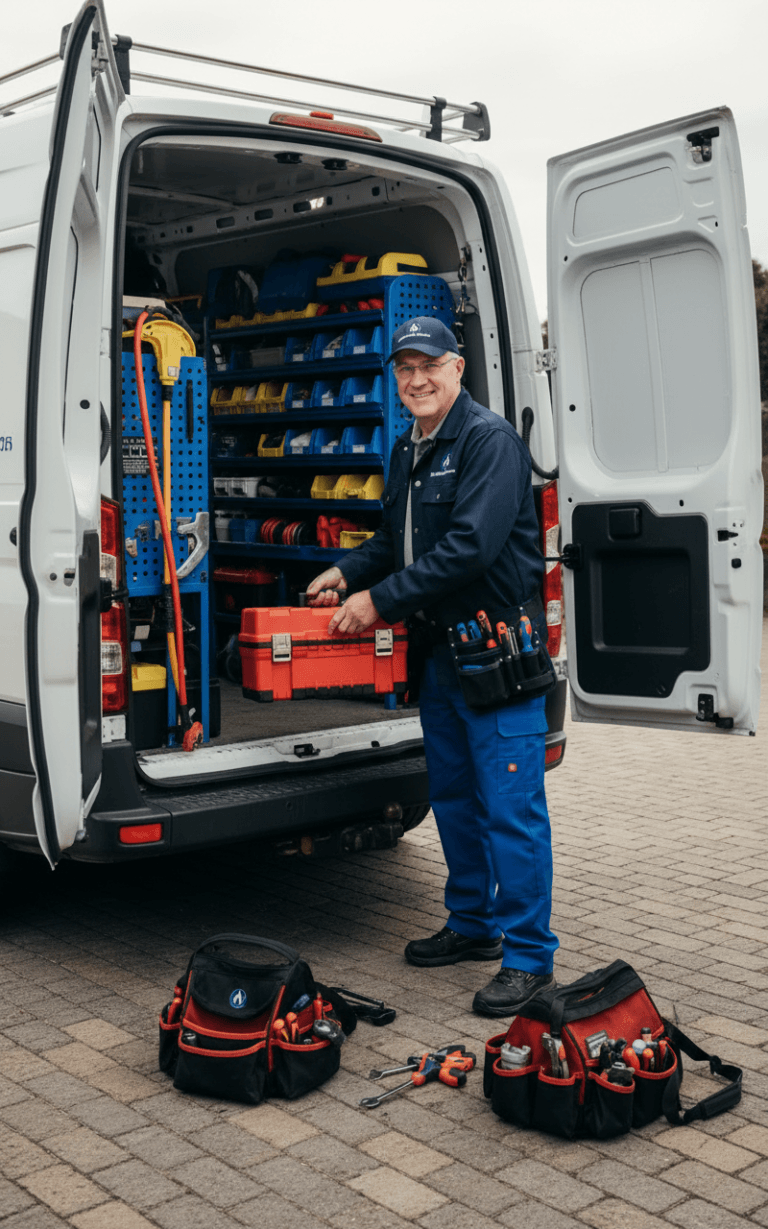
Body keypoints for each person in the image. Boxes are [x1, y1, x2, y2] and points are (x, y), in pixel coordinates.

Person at [307, 316, 558, 1016]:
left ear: (458, 369)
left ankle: (531, 957)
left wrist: (376, 603)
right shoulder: (407, 449)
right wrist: (344, 569)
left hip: (497, 653)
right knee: (453, 797)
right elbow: (395, 541)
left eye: (430, 366)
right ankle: (474, 924)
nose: (416, 379)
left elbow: (469, 550)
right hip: (443, 658)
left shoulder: (488, 441)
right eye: (405, 368)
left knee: (511, 807)